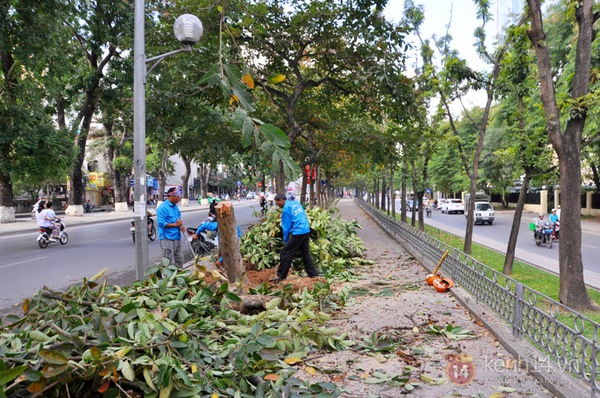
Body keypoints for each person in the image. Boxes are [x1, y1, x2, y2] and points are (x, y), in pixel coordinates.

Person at [270, 193, 319, 282]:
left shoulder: (286, 209)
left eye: (277, 203)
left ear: (282, 201)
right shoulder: (296, 203)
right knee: (305, 254)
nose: (277, 205)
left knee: (285, 252)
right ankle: (313, 275)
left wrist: (286, 239)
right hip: (306, 230)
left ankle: (281, 276)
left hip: (298, 232)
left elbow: (286, 226)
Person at [157, 187, 185, 268]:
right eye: (178, 196)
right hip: (167, 238)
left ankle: (179, 277)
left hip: (177, 236)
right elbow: (161, 223)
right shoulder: (162, 208)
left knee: (179, 259)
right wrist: (175, 225)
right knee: (168, 261)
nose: (179, 199)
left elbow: (178, 219)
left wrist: (181, 225)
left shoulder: (175, 207)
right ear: (171, 195)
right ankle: (169, 279)